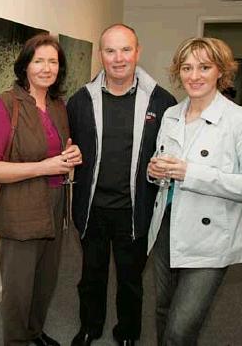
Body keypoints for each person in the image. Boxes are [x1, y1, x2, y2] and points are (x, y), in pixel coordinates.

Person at [146, 37, 242, 346]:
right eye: (187, 68)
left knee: (181, 328)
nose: (194, 76)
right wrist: (155, 172)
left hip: (211, 235)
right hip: (165, 225)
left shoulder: (241, 120)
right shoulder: (171, 115)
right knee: (163, 310)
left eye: (204, 67)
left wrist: (192, 173)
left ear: (221, 71)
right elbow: (164, 168)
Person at [67, 24, 176, 346]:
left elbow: (171, 152)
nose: (118, 58)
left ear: (137, 52)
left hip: (135, 209)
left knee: (131, 280)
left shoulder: (162, 101)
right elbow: (68, 145)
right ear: (101, 55)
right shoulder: (81, 100)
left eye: (125, 49)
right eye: (110, 51)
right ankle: (90, 327)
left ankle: (127, 333)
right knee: (91, 276)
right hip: (93, 209)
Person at [0, 33, 83, 346]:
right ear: (25, 66)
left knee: (45, 281)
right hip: (21, 208)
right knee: (19, 289)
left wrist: (71, 156)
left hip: (55, 205)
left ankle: (34, 333)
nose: (46, 68)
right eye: (39, 61)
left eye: (53, 61)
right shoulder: (6, 104)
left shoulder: (57, 105)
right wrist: (43, 167)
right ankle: (16, 341)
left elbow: (59, 150)